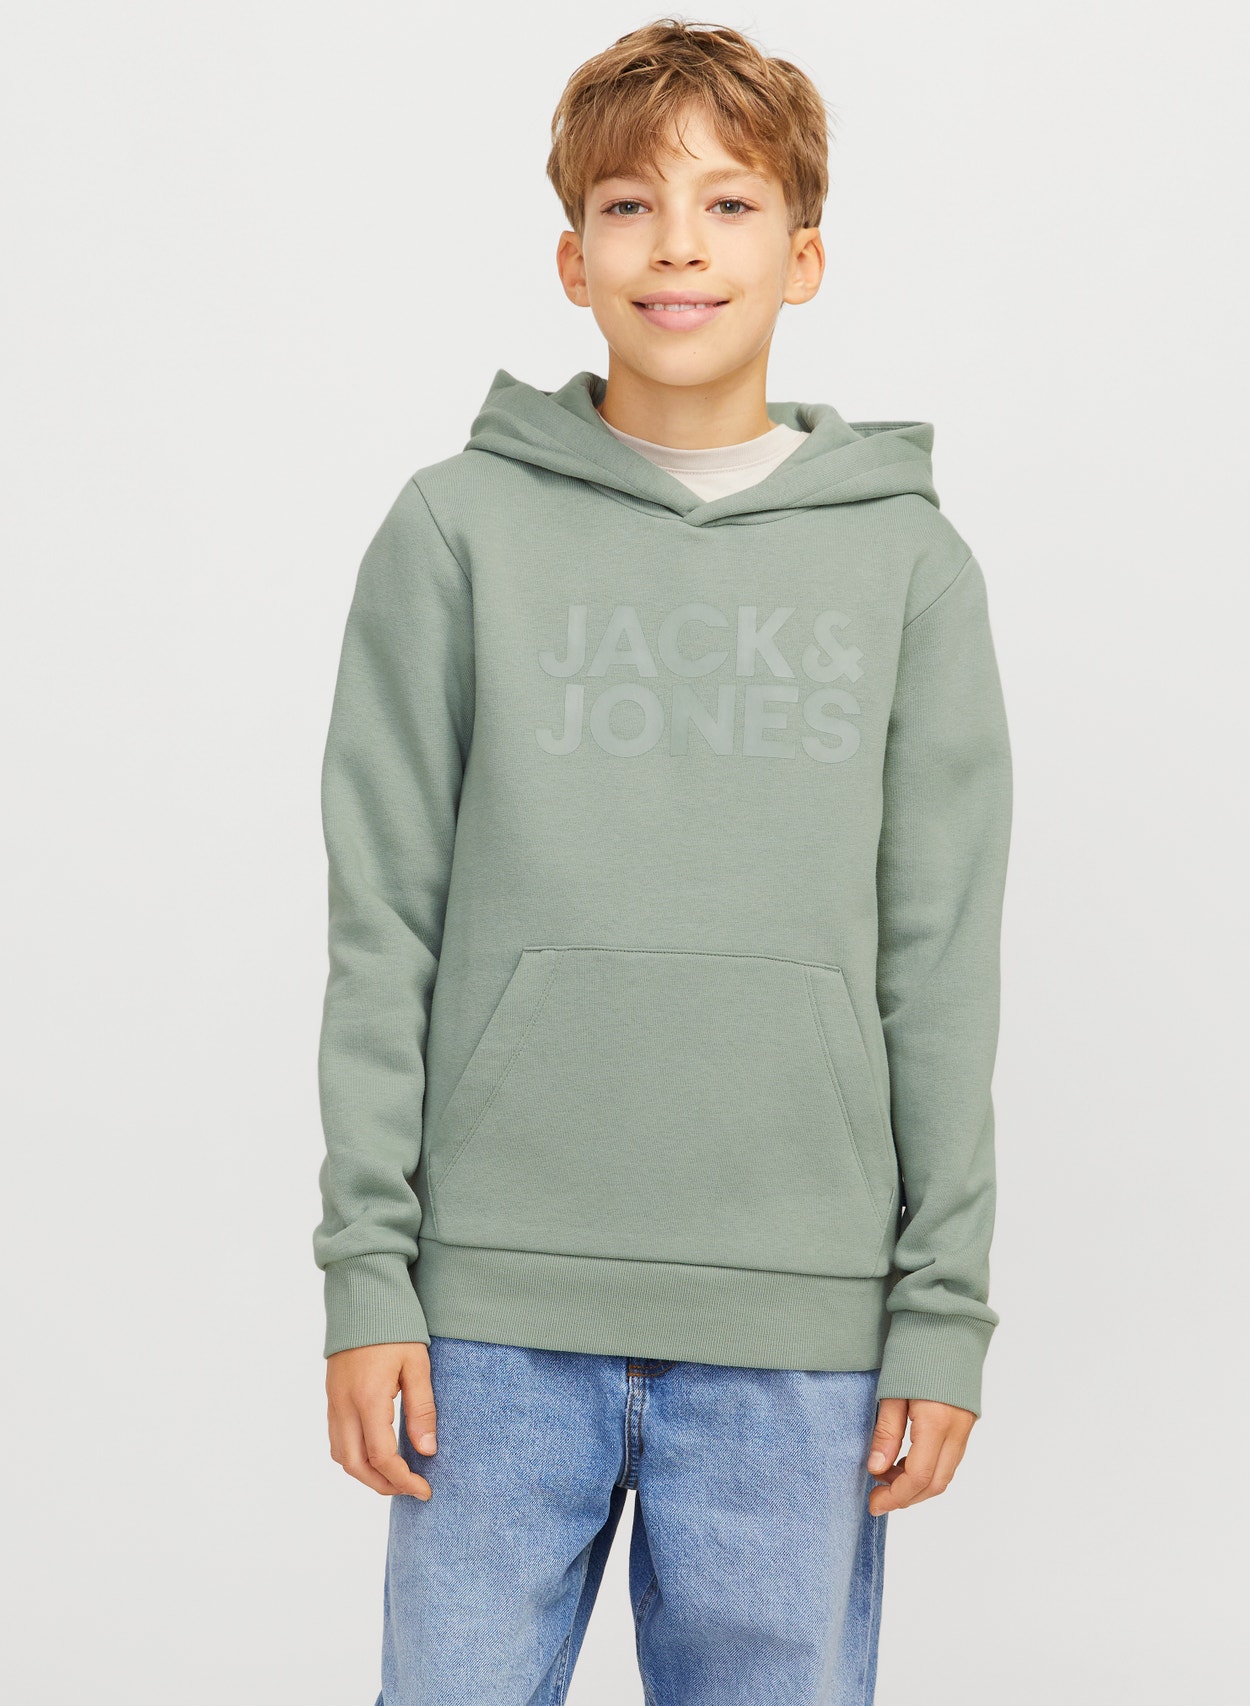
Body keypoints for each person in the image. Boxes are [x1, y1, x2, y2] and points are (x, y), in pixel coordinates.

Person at [313, 19, 1014, 1705]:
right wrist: (367, 1278)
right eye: (630, 205)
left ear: (804, 256)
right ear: (574, 259)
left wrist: (942, 1309)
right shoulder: (455, 532)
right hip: (489, 1320)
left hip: (800, 1327)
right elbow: (383, 923)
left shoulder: (907, 565)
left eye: (730, 203)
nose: (679, 245)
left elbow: (942, 959)